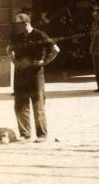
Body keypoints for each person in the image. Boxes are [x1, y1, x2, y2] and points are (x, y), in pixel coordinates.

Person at [6, 13, 59, 142]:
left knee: (38, 103)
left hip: (36, 74)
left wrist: (45, 62)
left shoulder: (40, 35)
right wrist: (14, 61)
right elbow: (8, 49)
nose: (17, 28)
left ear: (26, 24)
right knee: (21, 104)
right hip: (20, 74)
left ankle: (41, 135)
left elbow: (56, 49)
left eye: (19, 25)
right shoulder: (16, 37)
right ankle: (25, 134)